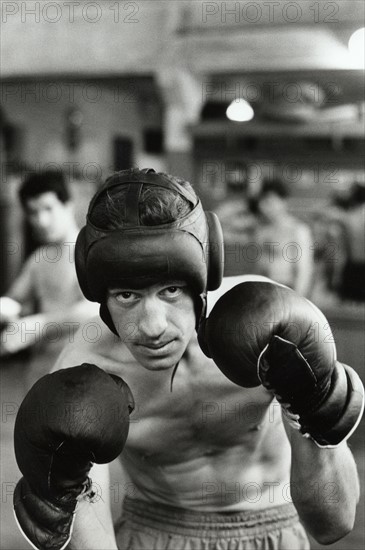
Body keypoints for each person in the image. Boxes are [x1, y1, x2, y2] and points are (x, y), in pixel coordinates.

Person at [12, 168, 364, 550]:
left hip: (275, 526)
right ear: (98, 292)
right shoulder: (86, 372)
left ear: (205, 275)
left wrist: (311, 400)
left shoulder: (273, 335)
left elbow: (334, 522)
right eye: (127, 296)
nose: (152, 327)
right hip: (154, 532)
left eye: (171, 290)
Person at [0, 170, 98, 387]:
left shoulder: (90, 252)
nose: (41, 220)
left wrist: (39, 324)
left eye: (48, 209)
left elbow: (96, 310)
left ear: (68, 205)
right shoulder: (39, 259)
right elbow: (14, 299)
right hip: (41, 374)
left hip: (82, 372)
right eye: (33, 212)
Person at [249, 179, 314, 296]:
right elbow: (258, 266)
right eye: (262, 202)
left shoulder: (298, 230)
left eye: (269, 202)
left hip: (287, 290)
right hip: (263, 291)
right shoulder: (261, 230)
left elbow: (304, 271)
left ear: (283, 202)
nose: (264, 207)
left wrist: (297, 300)